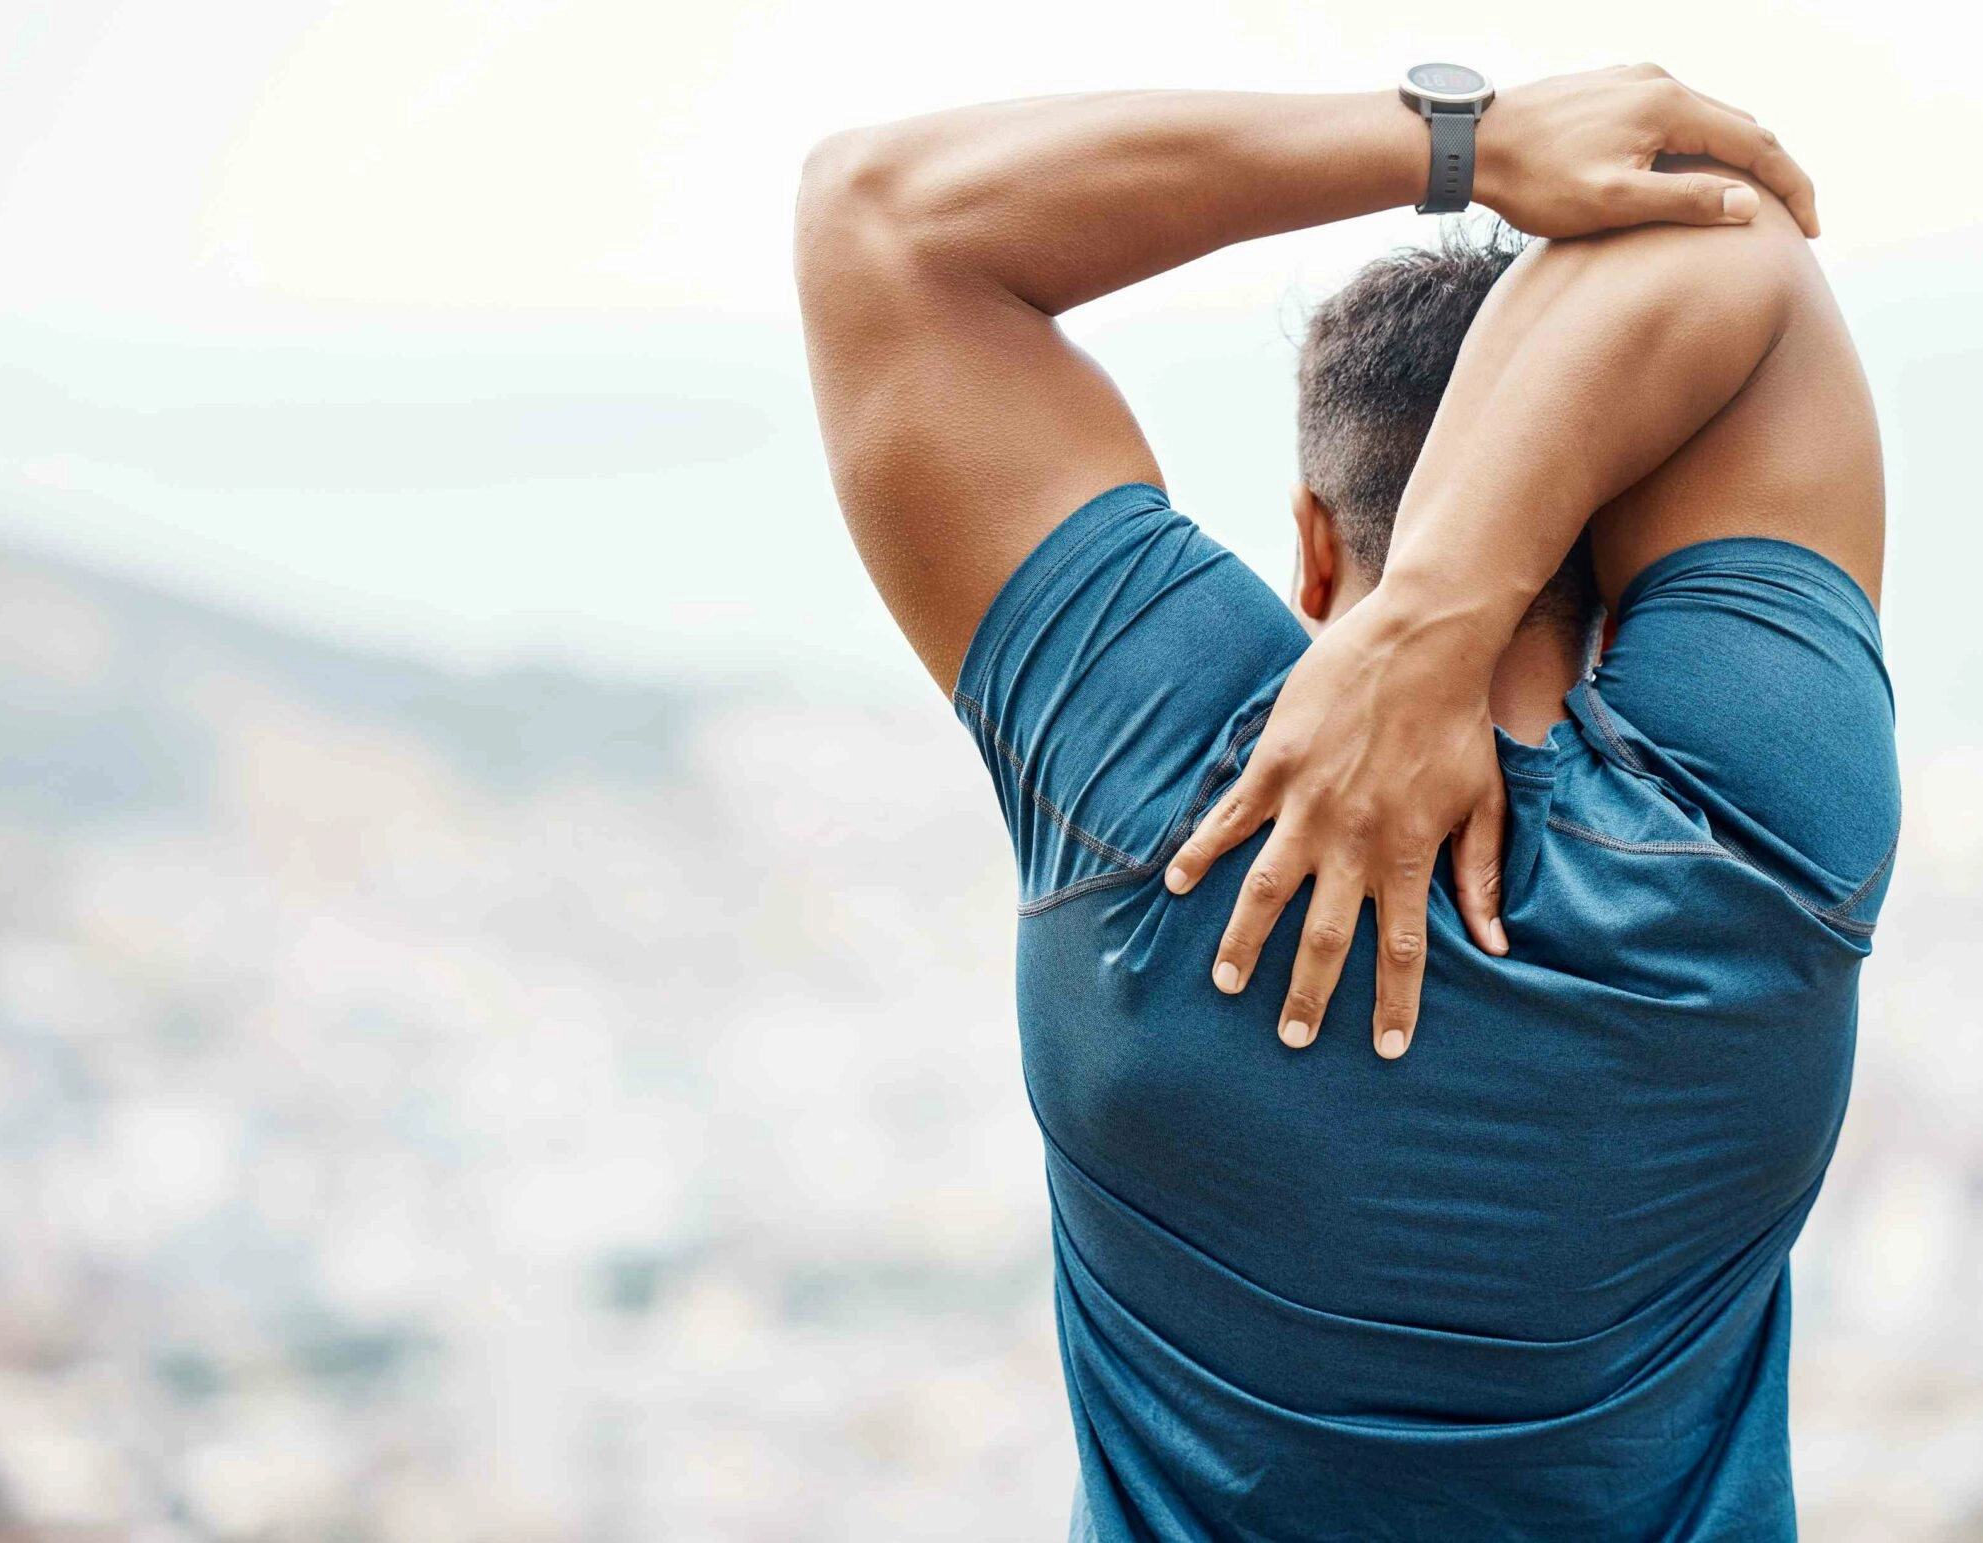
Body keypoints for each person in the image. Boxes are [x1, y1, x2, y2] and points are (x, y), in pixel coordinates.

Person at [796, 63, 1895, 1541]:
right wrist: (1451, 604)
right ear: (1632, 535)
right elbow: (1728, 232)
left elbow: (881, 222)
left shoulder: (1163, 803)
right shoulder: (1753, 841)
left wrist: (1463, 144)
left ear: (1314, 546)